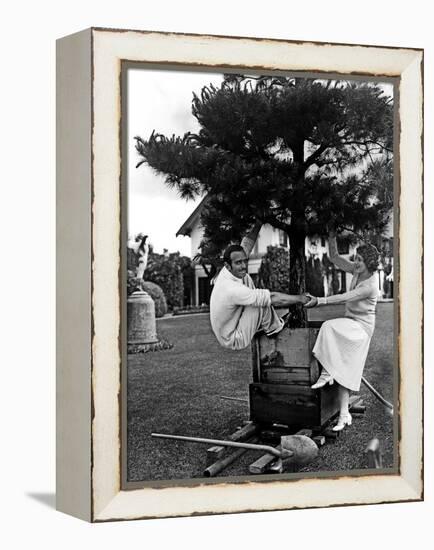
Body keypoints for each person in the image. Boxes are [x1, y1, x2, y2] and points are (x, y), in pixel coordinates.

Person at [305, 231, 380, 432]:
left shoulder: (370, 285)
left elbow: (346, 297)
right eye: (356, 258)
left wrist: (319, 301)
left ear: (370, 264)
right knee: (345, 370)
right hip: (350, 322)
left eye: (360, 260)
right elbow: (335, 257)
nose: (355, 262)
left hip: (362, 328)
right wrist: (330, 234)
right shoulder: (357, 270)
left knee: (328, 326)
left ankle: (328, 371)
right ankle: (344, 415)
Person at [210, 221, 309, 350]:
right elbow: (272, 298)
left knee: (247, 279)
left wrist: (258, 222)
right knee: (261, 301)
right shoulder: (232, 289)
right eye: (238, 263)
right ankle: (274, 329)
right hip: (233, 338)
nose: (244, 266)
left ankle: (269, 323)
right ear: (228, 266)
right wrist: (300, 299)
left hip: (231, 325)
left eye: (245, 261)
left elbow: (247, 243)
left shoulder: (228, 270)